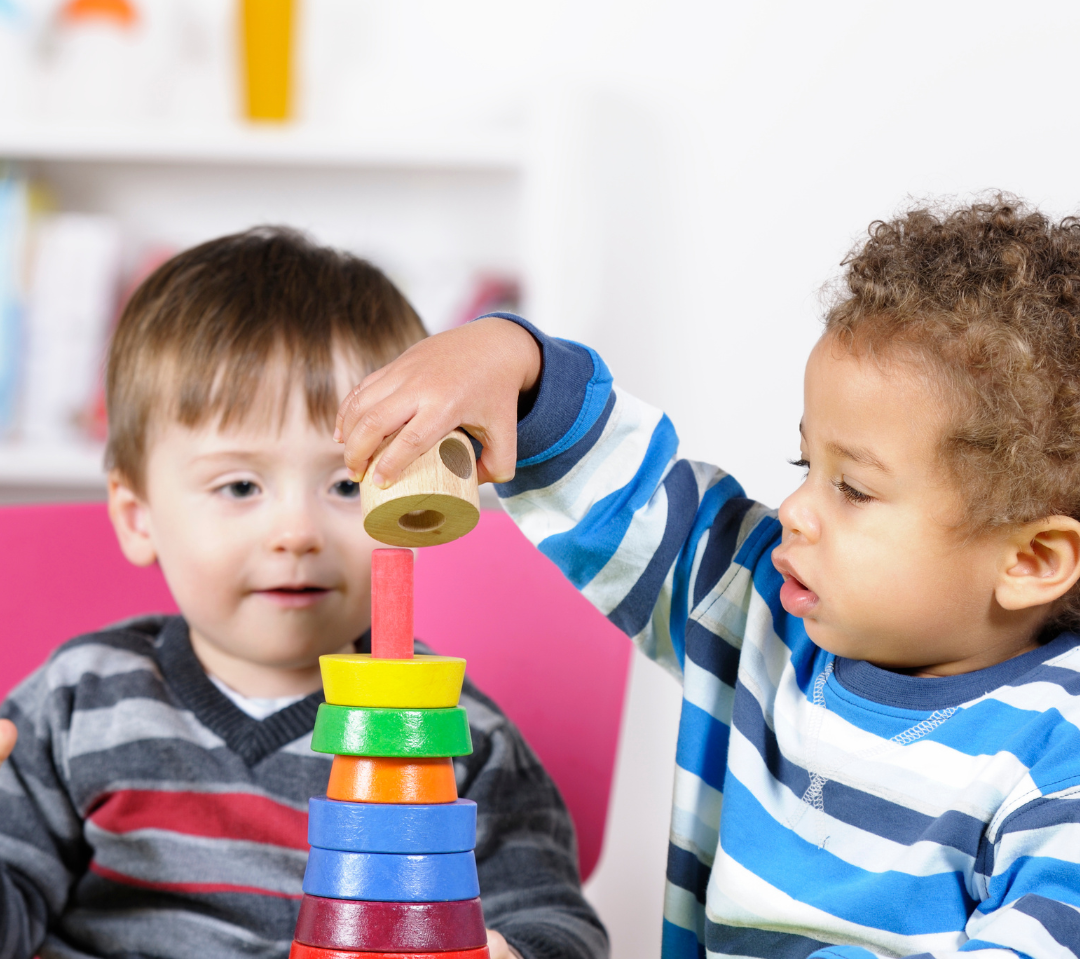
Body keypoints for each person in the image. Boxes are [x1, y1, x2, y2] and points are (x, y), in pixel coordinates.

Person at [336, 197, 1080, 959]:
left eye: (852, 489)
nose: (794, 510)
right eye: (805, 466)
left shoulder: (1060, 761)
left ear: (1030, 561)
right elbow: (625, 498)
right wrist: (511, 362)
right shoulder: (759, 607)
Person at [0, 227, 608, 959]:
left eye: (348, 484)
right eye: (240, 485)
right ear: (139, 519)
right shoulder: (77, 704)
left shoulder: (452, 734)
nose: (296, 531)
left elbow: (559, 927)